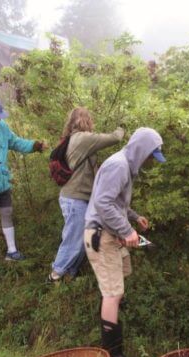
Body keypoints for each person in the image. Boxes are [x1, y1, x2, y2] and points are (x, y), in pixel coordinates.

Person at [84, 127, 165, 357]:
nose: (151, 162)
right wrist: (127, 232)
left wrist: (134, 217)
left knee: (122, 274)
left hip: (111, 233)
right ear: (141, 150)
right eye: (150, 156)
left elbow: (115, 201)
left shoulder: (124, 166)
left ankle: (112, 312)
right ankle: (113, 353)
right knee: (113, 293)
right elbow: (103, 202)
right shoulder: (118, 165)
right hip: (101, 235)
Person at [49, 107, 124, 281]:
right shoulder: (83, 138)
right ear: (84, 120)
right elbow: (115, 137)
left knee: (80, 238)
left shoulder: (71, 139)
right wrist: (121, 126)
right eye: (89, 119)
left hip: (77, 198)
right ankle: (55, 274)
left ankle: (70, 274)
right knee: (74, 240)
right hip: (74, 199)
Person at [0, 98, 46, 265]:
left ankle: (12, 251)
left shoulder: (1, 127)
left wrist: (35, 146)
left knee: (7, 214)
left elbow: (15, 142)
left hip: (3, 182)